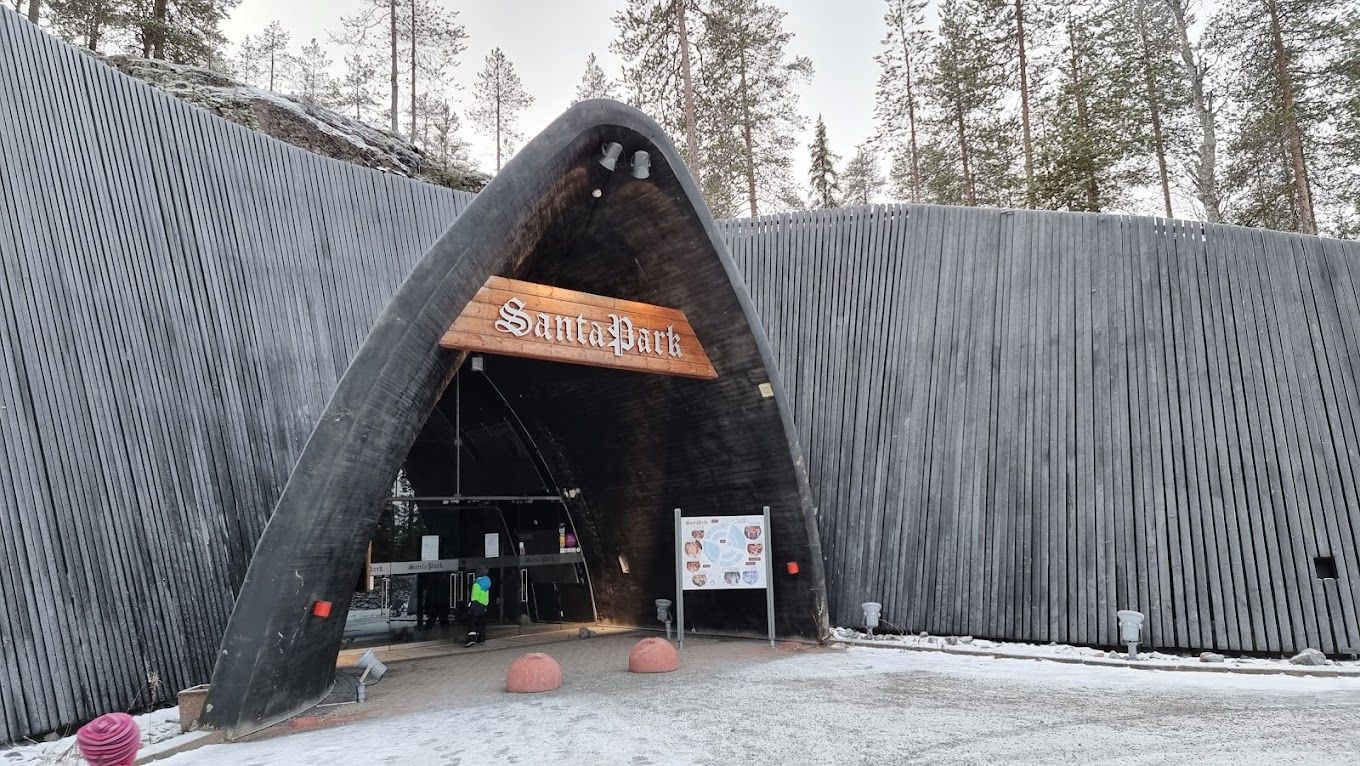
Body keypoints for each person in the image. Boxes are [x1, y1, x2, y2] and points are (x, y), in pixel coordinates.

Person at [466, 567, 491, 647]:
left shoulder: (477, 584)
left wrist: (471, 606)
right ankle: (481, 639)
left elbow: (474, 596)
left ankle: (471, 639)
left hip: (476, 605)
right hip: (484, 606)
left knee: (473, 623)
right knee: (481, 623)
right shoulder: (486, 585)